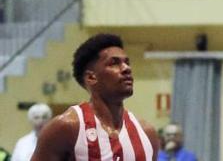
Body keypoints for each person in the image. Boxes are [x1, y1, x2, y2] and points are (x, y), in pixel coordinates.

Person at [31, 33, 160, 160]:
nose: (126, 68)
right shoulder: (67, 127)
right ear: (91, 77)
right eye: (114, 63)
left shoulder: (147, 133)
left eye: (127, 62)